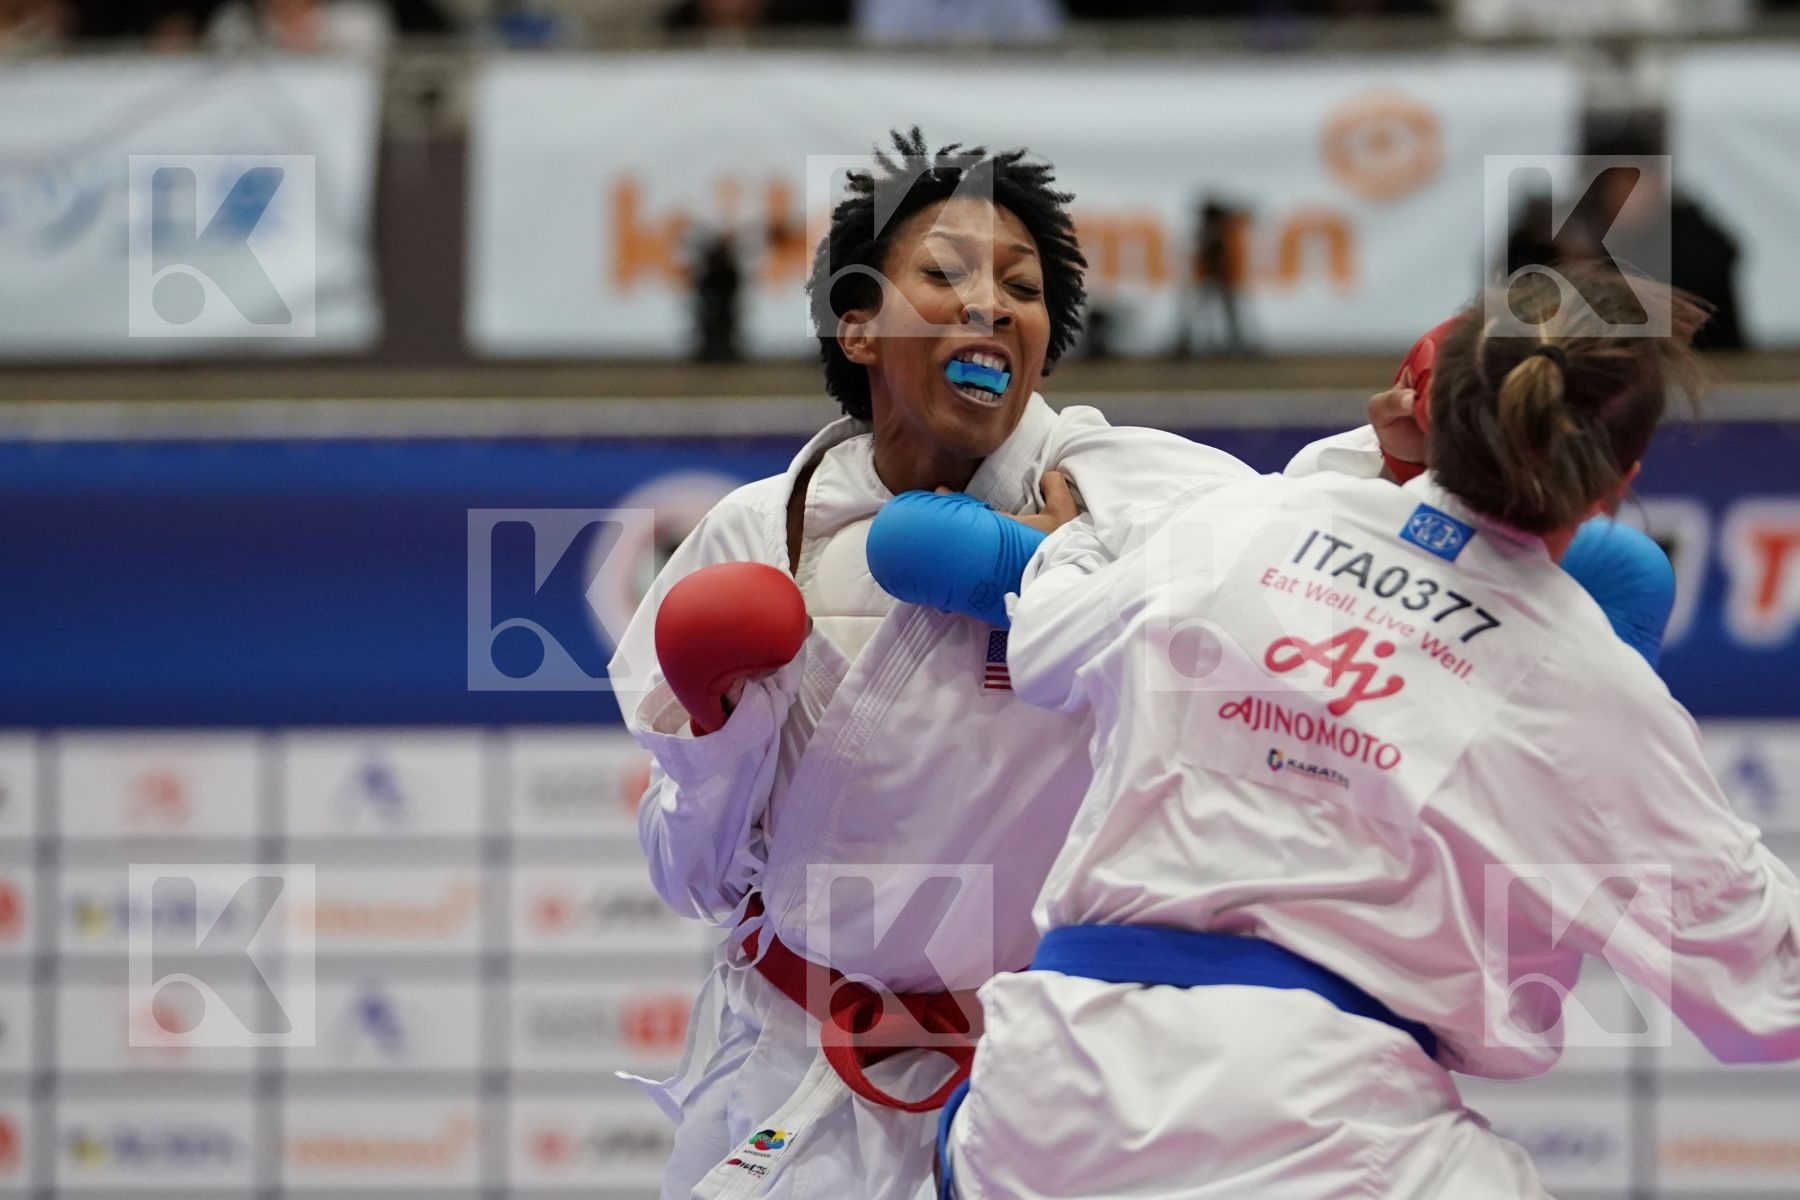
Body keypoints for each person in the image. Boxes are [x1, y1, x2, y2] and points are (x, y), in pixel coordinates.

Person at [609, 129, 1403, 1200]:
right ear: (858, 324)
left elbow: (1303, 535)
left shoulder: (1121, 493)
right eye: (943, 274)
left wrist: (1415, 457)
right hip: (793, 1059)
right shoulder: (762, 533)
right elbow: (690, 878)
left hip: (1038, 1087)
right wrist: (715, 734)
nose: (989, 303)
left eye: (1022, 288)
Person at [940, 264, 1800, 1198]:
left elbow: (1046, 652)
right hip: (1309, 1120)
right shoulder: (1582, 677)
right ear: (1615, 488)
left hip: (1043, 1087)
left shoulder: (1243, 521)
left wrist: (1068, 547)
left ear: (1426, 415)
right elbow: (1766, 998)